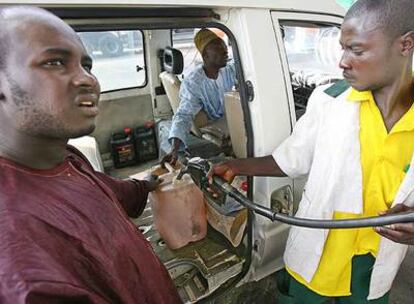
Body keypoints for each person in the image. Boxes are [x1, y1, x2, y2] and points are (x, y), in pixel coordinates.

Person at [209, 0, 414, 303]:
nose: (342, 62)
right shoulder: (328, 102)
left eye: (356, 50)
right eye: (342, 49)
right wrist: (238, 165)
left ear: (405, 44)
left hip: (372, 266)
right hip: (314, 262)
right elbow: (290, 160)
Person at [0, 6, 181, 304]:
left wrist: (148, 182)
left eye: (87, 65)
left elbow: (108, 193)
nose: (89, 80)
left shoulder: (64, 158)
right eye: (55, 62)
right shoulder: (19, 258)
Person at [162, 28, 236, 166]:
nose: (225, 51)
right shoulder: (194, 82)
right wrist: (174, 149)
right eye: (219, 49)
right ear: (205, 55)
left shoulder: (229, 70)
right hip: (216, 124)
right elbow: (183, 115)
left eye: (225, 47)